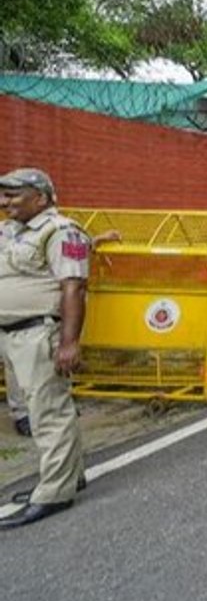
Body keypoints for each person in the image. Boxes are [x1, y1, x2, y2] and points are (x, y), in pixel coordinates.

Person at [0, 168, 91, 529]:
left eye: (13, 195)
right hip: (13, 336)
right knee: (41, 408)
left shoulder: (61, 231)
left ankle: (55, 491)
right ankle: (70, 474)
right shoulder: (11, 232)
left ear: (41, 197)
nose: (5, 202)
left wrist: (69, 343)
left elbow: (74, 287)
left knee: (49, 411)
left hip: (40, 334)